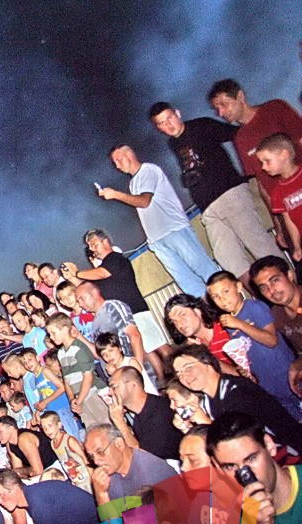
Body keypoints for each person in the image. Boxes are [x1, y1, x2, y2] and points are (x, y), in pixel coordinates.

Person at [149, 101, 282, 287]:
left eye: (169, 118)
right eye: (162, 123)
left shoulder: (202, 125)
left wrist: (254, 164)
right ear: (159, 128)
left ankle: (289, 285)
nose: (168, 125)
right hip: (208, 206)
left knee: (257, 243)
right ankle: (263, 297)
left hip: (229, 193)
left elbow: (237, 134)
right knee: (227, 258)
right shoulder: (173, 144)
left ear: (177, 113)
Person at [98, 145, 218, 296]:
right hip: (157, 239)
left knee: (205, 269)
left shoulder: (148, 170)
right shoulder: (133, 183)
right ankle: (207, 309)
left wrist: (116, 195)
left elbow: (144, 202)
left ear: (129, 155)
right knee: (187, 282)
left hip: (174, 229)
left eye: (118, 160)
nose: (117, 165)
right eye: (115, 162)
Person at [64, 229, 172, 378]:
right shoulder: (102, 269)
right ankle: (163, 380)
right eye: (90, 247)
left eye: (95, 244)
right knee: (146, 350)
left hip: (135, 310)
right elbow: (88, 288)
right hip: (124, 316)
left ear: (106, 242)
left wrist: (77, 272)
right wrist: (71, 277)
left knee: (160, 346)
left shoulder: (115, 259)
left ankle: (180, 369)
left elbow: (102, 273)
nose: (92, 249)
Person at [207, 78, 302, 248]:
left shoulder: (275, 108)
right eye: (217, 109)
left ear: (240, 96)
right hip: (288, 212)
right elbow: (262, 184)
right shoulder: (240, 138)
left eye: (224, 104)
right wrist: (278, 224)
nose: (221, 113)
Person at [207, 412, 302, 524]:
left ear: (269, 445)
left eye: (251, 458)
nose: (246, 475)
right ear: (218, 468)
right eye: (230, 466)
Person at [170, 344, 302, 447]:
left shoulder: (237, 391)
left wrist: (204, 423)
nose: (184, 376)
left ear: (207, 363)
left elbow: (240, 444)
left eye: (188, 368)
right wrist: (189, 429)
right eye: (179, 374)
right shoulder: (208, 401)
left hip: (291, 454)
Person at [206, 270, 299, 416]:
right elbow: (247, 349)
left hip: (287, 375)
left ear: (238, 287)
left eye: (226, 291)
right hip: (267, 384)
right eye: (216, 297)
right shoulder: (229, 323)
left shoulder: (254, 307)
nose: (222, 299)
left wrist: (240, 324)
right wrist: (245, 369)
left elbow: (272, 340)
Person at [84, 424, 177, 508]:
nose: (96, 461)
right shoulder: (111, 471)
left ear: (119, 444)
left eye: (100, 452)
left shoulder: (150, 478)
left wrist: (101, 495)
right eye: (91, 456)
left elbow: (117, 522)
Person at [45, 313, 110, 429]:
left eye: (53, 333)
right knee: (93, 430)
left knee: (108, 427)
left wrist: (79, 400)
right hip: (80, 400)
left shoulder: (79, 348)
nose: (51, 337)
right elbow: (66, 380)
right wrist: (72, 400)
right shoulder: (61, 353)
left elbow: (88, 377)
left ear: (65, 329)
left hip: (93, 395)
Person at [250, 255, 302, 396]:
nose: (271, 291)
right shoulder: (276, 315)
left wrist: (295, 366)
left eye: (275, 280)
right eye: (263, 288)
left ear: (290, 275)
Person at [163, 293, 238, 375]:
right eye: (174, 321)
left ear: (198, 311)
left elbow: (242, 375)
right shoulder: (192, 346)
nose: (180, 325)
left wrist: (205, 355)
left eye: (183, 315)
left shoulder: (228, 329)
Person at [256, 133, 302, 264]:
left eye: (267, 161)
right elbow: (289, 221)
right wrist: (297, 245)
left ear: (284, 155)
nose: (263, 167)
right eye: (262, 163)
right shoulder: (277, 192)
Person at [39, 410, 92, 493]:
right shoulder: (52, 444)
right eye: (44, 428)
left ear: (59, 425)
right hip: (75, 479)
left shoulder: (69, 440)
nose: (47, 430)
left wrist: (92, 476)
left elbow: (84, 458)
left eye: (50, 426)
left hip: (85, 477)